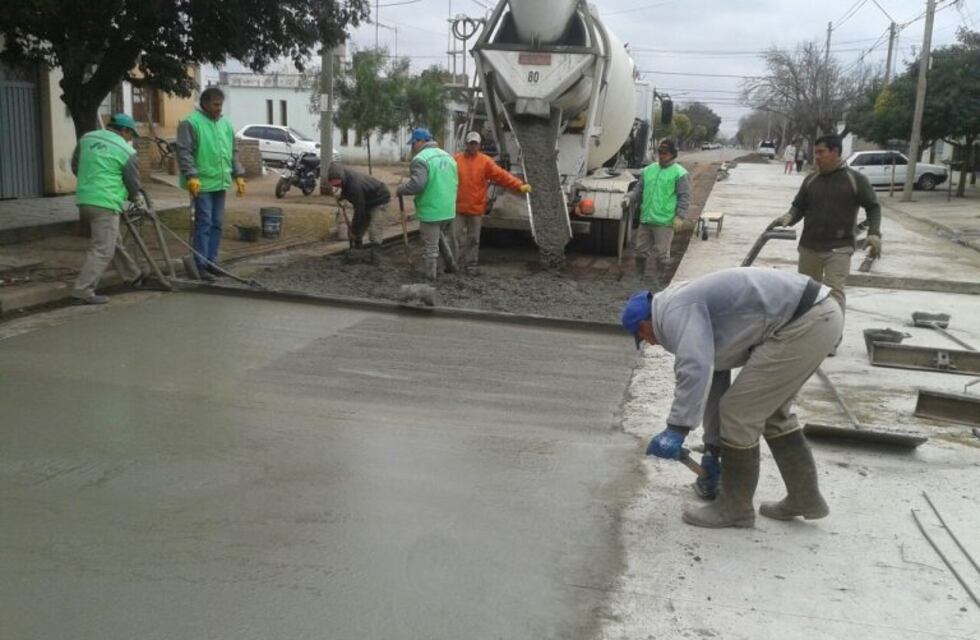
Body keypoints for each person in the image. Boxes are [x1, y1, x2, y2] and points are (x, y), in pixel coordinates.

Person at [621, 267, 842, 529]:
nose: (650, 343)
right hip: (816, 315)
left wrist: (676, 429)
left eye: (643, 338)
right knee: (770, 412)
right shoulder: (677, 307)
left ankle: (734, 508)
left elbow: (695, 367)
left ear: (644, 324)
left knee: (739, 412)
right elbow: (714, 377)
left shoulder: (674, 313)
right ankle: (805, 497)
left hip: (805, 321)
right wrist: (714, 448)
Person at [767, 134, 881, 313]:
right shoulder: (811, 180)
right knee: (806, 293)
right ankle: (810, 332)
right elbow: (798, 207)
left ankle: (833, 336)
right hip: (809, 246)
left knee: (833, 294)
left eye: (821, 152)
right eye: (815, 153)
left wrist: (874, 233)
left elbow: (873, 207)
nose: (816, 157)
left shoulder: (855, 180)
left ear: (836, 152)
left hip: (840, 247)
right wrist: (789, 218)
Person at [70, 113, 146, 304]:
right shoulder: (126, 151)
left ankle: (133, 275)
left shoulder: (87, 138)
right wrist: (137, 197)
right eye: (131, 134)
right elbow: (132, 182)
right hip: (105, 201)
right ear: (125, 130)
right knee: (102, 249)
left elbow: (75, 165)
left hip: (85, 199)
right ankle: (83, 291)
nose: (131, 139)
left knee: (113, 241)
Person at [175, 87, 245, 281]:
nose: (219, 108)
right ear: (204, 103)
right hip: (202, 183)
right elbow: (184, 151)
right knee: (204, 223)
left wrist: (238, 174)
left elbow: (233, 151)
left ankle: (212, 261)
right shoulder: (191, 123)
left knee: (217, 223)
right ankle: (201, 263)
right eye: (215, 104)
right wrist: (191, 176)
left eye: (221, 104)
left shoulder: (225, 124)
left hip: (220, 182)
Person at [454, 131, 531, 274]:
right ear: (466, 144)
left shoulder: (485, 162)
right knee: (454, 238)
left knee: (473, 239)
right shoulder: (456, 160)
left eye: (475, 144)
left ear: (479, 145)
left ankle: (471, 265)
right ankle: (453, 264)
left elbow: (502, 176)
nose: (472, 146)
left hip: (476, 209)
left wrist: (519, 185)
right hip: (458, 208)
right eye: (470, 143)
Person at [397, 128, 459, 281]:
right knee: (440, 237)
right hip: (448, 209)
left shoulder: (420, 159)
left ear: (420, 141)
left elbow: (418, 184)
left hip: (431, 210)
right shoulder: (448, 156)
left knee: (430, 248)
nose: (412, 147)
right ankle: (452, 266)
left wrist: (401, 189)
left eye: (413, 143)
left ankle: (430, 278)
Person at [626, 138, 691, 282]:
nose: (661, 155)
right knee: (640, 251)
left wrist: (680, 216)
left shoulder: (680, 174)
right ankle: (639, 277)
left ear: (673, 154)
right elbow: (639, 189)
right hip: (646, 218)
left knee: (662, 254)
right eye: (659, 152)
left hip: (664, 221)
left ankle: (659, 281)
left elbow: (684, 197)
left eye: (665, 153)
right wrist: (629, 197)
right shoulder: (648, 170)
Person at [326, 162, 392, 263]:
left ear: (341, 178)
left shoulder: (354, 185)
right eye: (335, 185)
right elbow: (347, 191)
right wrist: (342, 197)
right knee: (358, 229)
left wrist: (354, 230)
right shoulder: (344, 177)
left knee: (374, 228)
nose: (337, 186)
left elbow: (359, 210)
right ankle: (357, 252)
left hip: (380, 199)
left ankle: (376, 257)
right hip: (366, 200)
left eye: (338, 184)